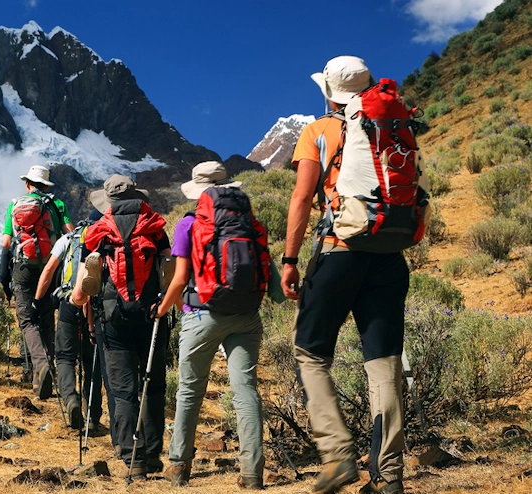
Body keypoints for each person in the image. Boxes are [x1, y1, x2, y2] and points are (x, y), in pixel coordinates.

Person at [281, 56, 408, 494]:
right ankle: (389, 476)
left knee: (310, 352)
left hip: (339, 251)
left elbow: (301, 198)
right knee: (384, 363)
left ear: (328, 93)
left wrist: (290, 259)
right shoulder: (391, 123)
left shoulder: (319, 130)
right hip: (389, 254)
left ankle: (337, 456)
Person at [156, 161, 284, 489]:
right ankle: (252, 472)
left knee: (189, 390)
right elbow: (271, 279)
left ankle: (179, 466)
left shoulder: (189, 224)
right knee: (245, 390)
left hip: (201, 315)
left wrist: (162, 308)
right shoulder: (249, 222)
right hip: (246, 315)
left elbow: (181, 277)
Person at [72, 174, 171, 481]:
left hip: (112, 319)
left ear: (108, 202)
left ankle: (133, 459)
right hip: (153, 315)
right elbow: (169, 270)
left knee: (123, 389)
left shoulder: (98, 232)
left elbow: (79, 294)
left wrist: (81, 304)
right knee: (152, 384)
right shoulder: (155, 228)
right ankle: (153, 453)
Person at [1, 164, 74, 399]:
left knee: (26, 321)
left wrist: (4, 277)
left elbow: (5, 243)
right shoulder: (57, 204)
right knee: (44, 318)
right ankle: (45, 374)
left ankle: (39, 368)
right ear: (45, 185)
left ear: (27, 184)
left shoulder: (14, 204)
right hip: (48, 269)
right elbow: (71, 235)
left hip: (22, 267)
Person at [33, 209, 105, 430]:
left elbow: (48, 269)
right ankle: (92, 416)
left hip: (68, 302)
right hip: (94, 305)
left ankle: (71, 400)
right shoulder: (104, 240)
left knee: (64, 357)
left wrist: (37, 300)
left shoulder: (69, 238)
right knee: (90, 358)